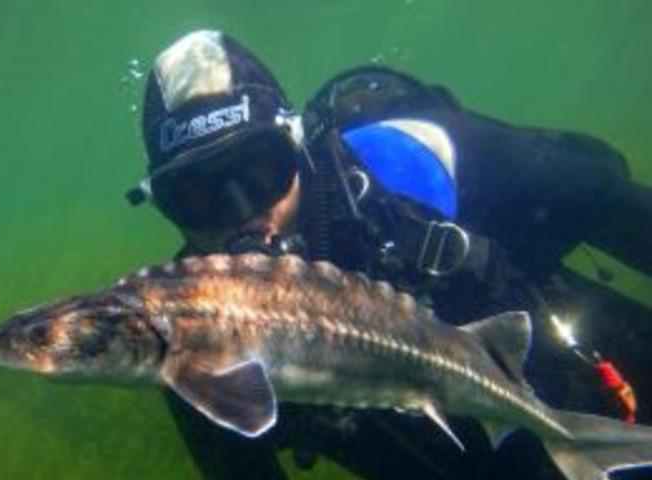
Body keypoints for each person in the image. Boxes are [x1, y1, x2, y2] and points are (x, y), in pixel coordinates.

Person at [126, 30, 652, 479]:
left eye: (261, 168)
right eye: (196, 196)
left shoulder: (415, 161)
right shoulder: (187, 334)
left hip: (620, 383)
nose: (241, 212)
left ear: (298, 144)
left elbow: (621, 211)